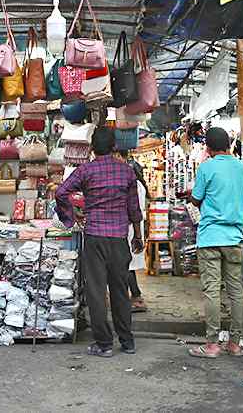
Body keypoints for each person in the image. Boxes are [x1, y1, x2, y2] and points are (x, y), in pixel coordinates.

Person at [56, 127, 143, 358]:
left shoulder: (86, 170)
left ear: (92, 148)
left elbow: (61, 192)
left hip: (94, 236)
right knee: (120, 291)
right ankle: (127, 341)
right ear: (114, 146)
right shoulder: (126, 171)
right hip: (118, 238)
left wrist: (72, 215)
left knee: (96, 291)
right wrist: (138, 235)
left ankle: (104, 343)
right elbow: (134, 208)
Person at [187, 127, 243, 358]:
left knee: (212, 290)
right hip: (235, 237)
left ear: (208, 147)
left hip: (210, 238)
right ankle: (236, 343)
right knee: (236, 290)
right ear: (229, 145)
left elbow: (196, 200)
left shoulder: (206, 167)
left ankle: (212, 344)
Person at [117, 151, 148, 313]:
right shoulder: (139, 185)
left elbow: (133, 209)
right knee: (128, 265)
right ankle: (134, 296)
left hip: (130, 227)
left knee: (127, 264)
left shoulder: (134, 186)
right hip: (133, 227)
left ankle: (136, 297)